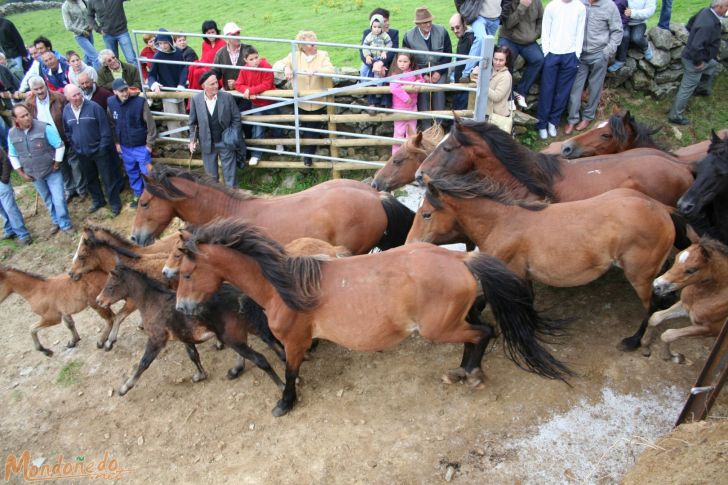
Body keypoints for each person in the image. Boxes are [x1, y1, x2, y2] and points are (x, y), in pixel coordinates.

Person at [7, 104, 73, 235]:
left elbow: (59, 146)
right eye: (23, 116)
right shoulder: (12, 134)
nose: (27, 118)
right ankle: (56, 221)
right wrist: (21, 173)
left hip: (51, 171)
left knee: (59, 198)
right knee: (48, 199)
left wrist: (57, 162)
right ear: (16, 120)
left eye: (28, 114)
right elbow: (12, 155)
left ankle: (65, 224)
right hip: (33, 174)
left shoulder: (44, 128)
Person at [62, 84, 122, 216]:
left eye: (79, 94)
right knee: (91, 179)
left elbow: (105, 130)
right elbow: (67, 131)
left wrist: (102, 148)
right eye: (74, 95)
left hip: (99, 151)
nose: (78, 97)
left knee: (108, 178)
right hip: (81, 152)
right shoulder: (66, 110)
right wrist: (75, 146)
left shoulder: (94, 107)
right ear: (67, 97)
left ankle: (115, 204)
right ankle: (98, 200)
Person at [277, 30, 335, 167]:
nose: (315, 46)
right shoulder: (294, 56)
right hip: (301, 102)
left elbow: (330, 70)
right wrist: (286, 68)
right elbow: (277, 64)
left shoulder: (323, 55)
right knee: (305, 128)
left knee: (312, 129)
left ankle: (307, 156)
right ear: (302, 46)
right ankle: (307, 155)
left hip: (317, 101)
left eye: (315, 43)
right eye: (311, 44)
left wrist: (316, 71)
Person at [25, 75, 86, 203]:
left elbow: (69, 115)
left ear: (45, 85)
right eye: (36, 89)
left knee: (75, 164)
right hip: (48, 143)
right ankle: (69, 189)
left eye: (41, 87)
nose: (40, 91)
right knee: (61, 166)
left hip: (65, 138)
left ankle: (81, 189)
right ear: (31, 90)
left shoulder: (59, 98)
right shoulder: (29, 104)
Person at [565, 0, 622, 134]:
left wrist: (607, 52)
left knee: (595, 88)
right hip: (579, 54)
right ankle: (572, 120)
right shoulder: (579, 3)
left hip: (599, 54)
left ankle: (587, 117)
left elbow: (617, 31)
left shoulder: (610, 6)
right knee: (575, 88)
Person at [668, 0, 728, 125]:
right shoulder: (708, 24)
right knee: (686, 88)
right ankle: (675, 116)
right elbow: (696, 47)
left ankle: (701, 89)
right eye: (727, 6)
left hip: (703, 58)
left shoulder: (705, 11)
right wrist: (698, 62)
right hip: (694, 60)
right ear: (718, 6)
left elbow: (690, 24)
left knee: (712, 66)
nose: (727, 9)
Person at [536, 0, 586, 139]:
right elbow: (545, 30)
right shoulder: (552, 6)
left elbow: (580, 32)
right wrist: (546, 52)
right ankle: (542, 124)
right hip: (552, 54)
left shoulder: (580, 7)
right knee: (547, 90)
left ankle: (553, 121)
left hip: (570, 55)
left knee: (563, 92)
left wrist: (577, 54)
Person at [108, 78, 157, 207]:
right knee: (132, 172)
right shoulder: (111, 103)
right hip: (125, 146)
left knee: (146, 173)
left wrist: (149, 145)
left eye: (126, 90)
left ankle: (150, 196)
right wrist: (117, 142)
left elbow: (151, 125)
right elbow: (112, 124)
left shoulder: (140, 102)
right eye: (121, 91)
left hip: (141, 146)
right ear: (114, 92)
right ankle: (138, 194)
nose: (125, 93)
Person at [402, 7, 452, 130]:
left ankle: (438, 127)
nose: (428, 24)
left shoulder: (442, 31)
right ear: (418, 24)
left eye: (429, 21)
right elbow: (408, 59)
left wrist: (439, 72)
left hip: (440, 69)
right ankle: (426, 128)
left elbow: (449, 54)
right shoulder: (408, 37)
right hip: (419, 72)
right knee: (422, 91)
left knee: (439, 91)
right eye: (425, 22)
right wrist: (422, 75)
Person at [189, 71, 242, 186]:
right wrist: (192, 140)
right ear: (204, 86)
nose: (216, 86)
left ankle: (233, 200)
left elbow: (236, 118)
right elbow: (193, 123)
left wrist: (232, 135)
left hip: (226, 142)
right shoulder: (196, 100)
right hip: (207, 144)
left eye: (216, 83)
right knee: (211, 178)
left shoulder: (227, 97)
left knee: (230, 177)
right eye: (212, 84)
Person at [234, 46, 283, 166]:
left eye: (256, 57)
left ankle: (280, 143)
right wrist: (248, 90)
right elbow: (238, 84)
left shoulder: (266, 66)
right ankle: (256, 155)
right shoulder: (244, 70)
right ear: (245, 60)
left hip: (270, 101)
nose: (255, 61)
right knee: (257, 128)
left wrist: (250, 91)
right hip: (256, 104)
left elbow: (267, 84)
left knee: (277, 125)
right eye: (251, 59)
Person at [498, 0, 544, 109]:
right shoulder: (508, 2)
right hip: (509, 38)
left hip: (528, 41)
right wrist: (522, 6)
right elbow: (508, 23)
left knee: (539, 60)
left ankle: (520, 92)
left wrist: (535, 35)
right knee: (505, 61)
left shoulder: (537, 2)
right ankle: (508, 96)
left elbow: (541, 20)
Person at [147, 29, 188, 133]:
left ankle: (187, 140)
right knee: (173, 119)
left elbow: (184, 68)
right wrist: (154, 85)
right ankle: (177, 143)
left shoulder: (178, 52)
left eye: (165, 43)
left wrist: (181, 84)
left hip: (179, 90)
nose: (163, 46)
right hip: (167, 92)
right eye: (160, 43)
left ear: (170, 42)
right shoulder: (157, 56)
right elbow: (151, 74)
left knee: (183, 117)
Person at [358, 8, 399, 109]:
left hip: (386, 61)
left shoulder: (393, 33)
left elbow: (393, 51)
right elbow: (363, 50)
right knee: (369, 71)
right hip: (371, 61)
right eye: (382, 21)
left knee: (387, 73)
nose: (385, 23)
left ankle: (385, 103)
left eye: (386, 20)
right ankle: (372, 102)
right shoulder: (368, 32)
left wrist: (381, 63)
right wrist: (374, 64)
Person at [389, 51, 423, 154]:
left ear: (410, 62)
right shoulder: (395, 73)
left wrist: (418, 83)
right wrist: (406, 98)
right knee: (399, 132)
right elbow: (394, 87)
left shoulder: (414, 71)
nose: (402, 64)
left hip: (413, 107)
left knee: (411, 132)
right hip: (400, 108)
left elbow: (421, 79)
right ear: (397, 61)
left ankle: (410, 154)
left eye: (405, 61)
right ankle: (396, 155)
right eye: (400, 61)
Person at [608, 0, 655, 72]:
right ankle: (620, 60)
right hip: (623, 21)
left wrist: (633, 13)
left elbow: (650, 11)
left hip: (639, 22)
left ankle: (646, 47)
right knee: (623, 35)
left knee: (637, 38)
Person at [87, 0, 136, 64]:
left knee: (131, 59)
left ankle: (137, 74)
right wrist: (98, 29)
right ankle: (118, 74)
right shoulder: (92, 2)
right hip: (107, 35)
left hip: (122, 31)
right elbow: (89, 16)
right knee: (112, 61)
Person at [0, 147, 32, 245]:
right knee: (2, 209)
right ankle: (10, 230)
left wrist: (4, 179)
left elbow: (5, 160)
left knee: (10, 208)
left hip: (1, 183)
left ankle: (23, 235)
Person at [61, 0, 100, 69]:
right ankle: (101, 77)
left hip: (89, 31)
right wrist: (82, 32)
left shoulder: (83, 1)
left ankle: (86, 74)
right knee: (95, 56)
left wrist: (92, 24)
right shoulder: (65, 7)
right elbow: (68, 26)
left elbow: (90, 12)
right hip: (80, 35)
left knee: (88, 57)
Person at [188, 20, 225, 90]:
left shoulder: (222, 43)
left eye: (213, 32)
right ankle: (194, 93)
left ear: (216, 32)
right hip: (206, 66)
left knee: (198, 72)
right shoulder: (204, 44)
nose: (211, 35)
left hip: (216, 70)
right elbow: (204, 59)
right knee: (193, 67)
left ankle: (199, 93)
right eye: (208, 33)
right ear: (205, 34)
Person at [449, 13, 474, 111]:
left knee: (461, 114)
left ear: (464, 24)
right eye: (452, 28)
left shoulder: (471, 39)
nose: (455, 31)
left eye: (457, 27)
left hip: (467, 84)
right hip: (459, 83)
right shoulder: (463, 38)